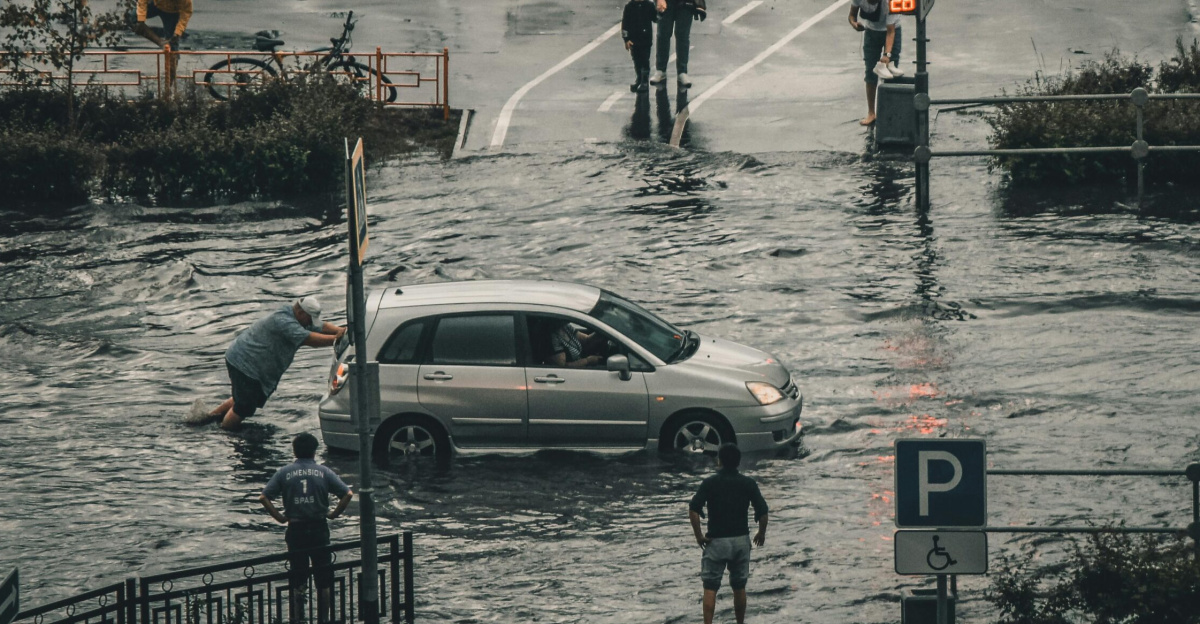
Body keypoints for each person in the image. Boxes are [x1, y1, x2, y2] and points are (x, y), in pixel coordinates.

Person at [195, 297, 345, 430]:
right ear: (301, 313)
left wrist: (342, 331)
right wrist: (337, 340)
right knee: (245, 407)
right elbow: (310, 339)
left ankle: (209, 418)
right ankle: (226, 432)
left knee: (244, 395)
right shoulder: (284, 322)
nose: (310, 323)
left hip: (247, 361)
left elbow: (321, 327)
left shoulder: (293, 314)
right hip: (245, 363)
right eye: (310, 319)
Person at [259, 433, 354, 624]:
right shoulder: (324, 472)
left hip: (296, 530)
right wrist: (334, 514)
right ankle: (323, 619)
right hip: (319, 528)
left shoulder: (284, 472)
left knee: (298, 576)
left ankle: (298, 618)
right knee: (324, 579)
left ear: (294, 451)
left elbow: (263, 497)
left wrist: (279, 517)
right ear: (314, 451)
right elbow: (348, 494)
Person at [688, 444, 769, 624]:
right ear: (738, 462)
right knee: (739, 587)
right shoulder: (748, 483)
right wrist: (761, 533)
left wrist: (699, 536)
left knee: (710, 587)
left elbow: (694, 509)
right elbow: (763, 512)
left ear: (720, 461)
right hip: (740, 541)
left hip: (716, 541)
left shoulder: (709, 483)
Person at [848, 0, 904, 126]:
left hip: (892, 29)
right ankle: (871, 113)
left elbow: (891, 31)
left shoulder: (889, 2)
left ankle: (890, 113)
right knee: (870, 71)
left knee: (891, 71)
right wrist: (854, 24)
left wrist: (887, 55)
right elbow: (851, 15)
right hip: (871, 32)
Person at [648, 0, 704, 89]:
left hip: (686, 3)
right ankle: (660, 70)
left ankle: (682, 71)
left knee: (683, 36)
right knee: (663, 35)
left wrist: (700, 5)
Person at [622, 0, 658, 93]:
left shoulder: (649, 5)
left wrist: (659, 12)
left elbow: (655, 18)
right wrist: (626, 39)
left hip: (646, 39)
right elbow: (625, 24)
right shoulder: (629, 7)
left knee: (645, 60)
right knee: (636, 60)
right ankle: (639, 78)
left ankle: (644, 81)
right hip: (634, 40)